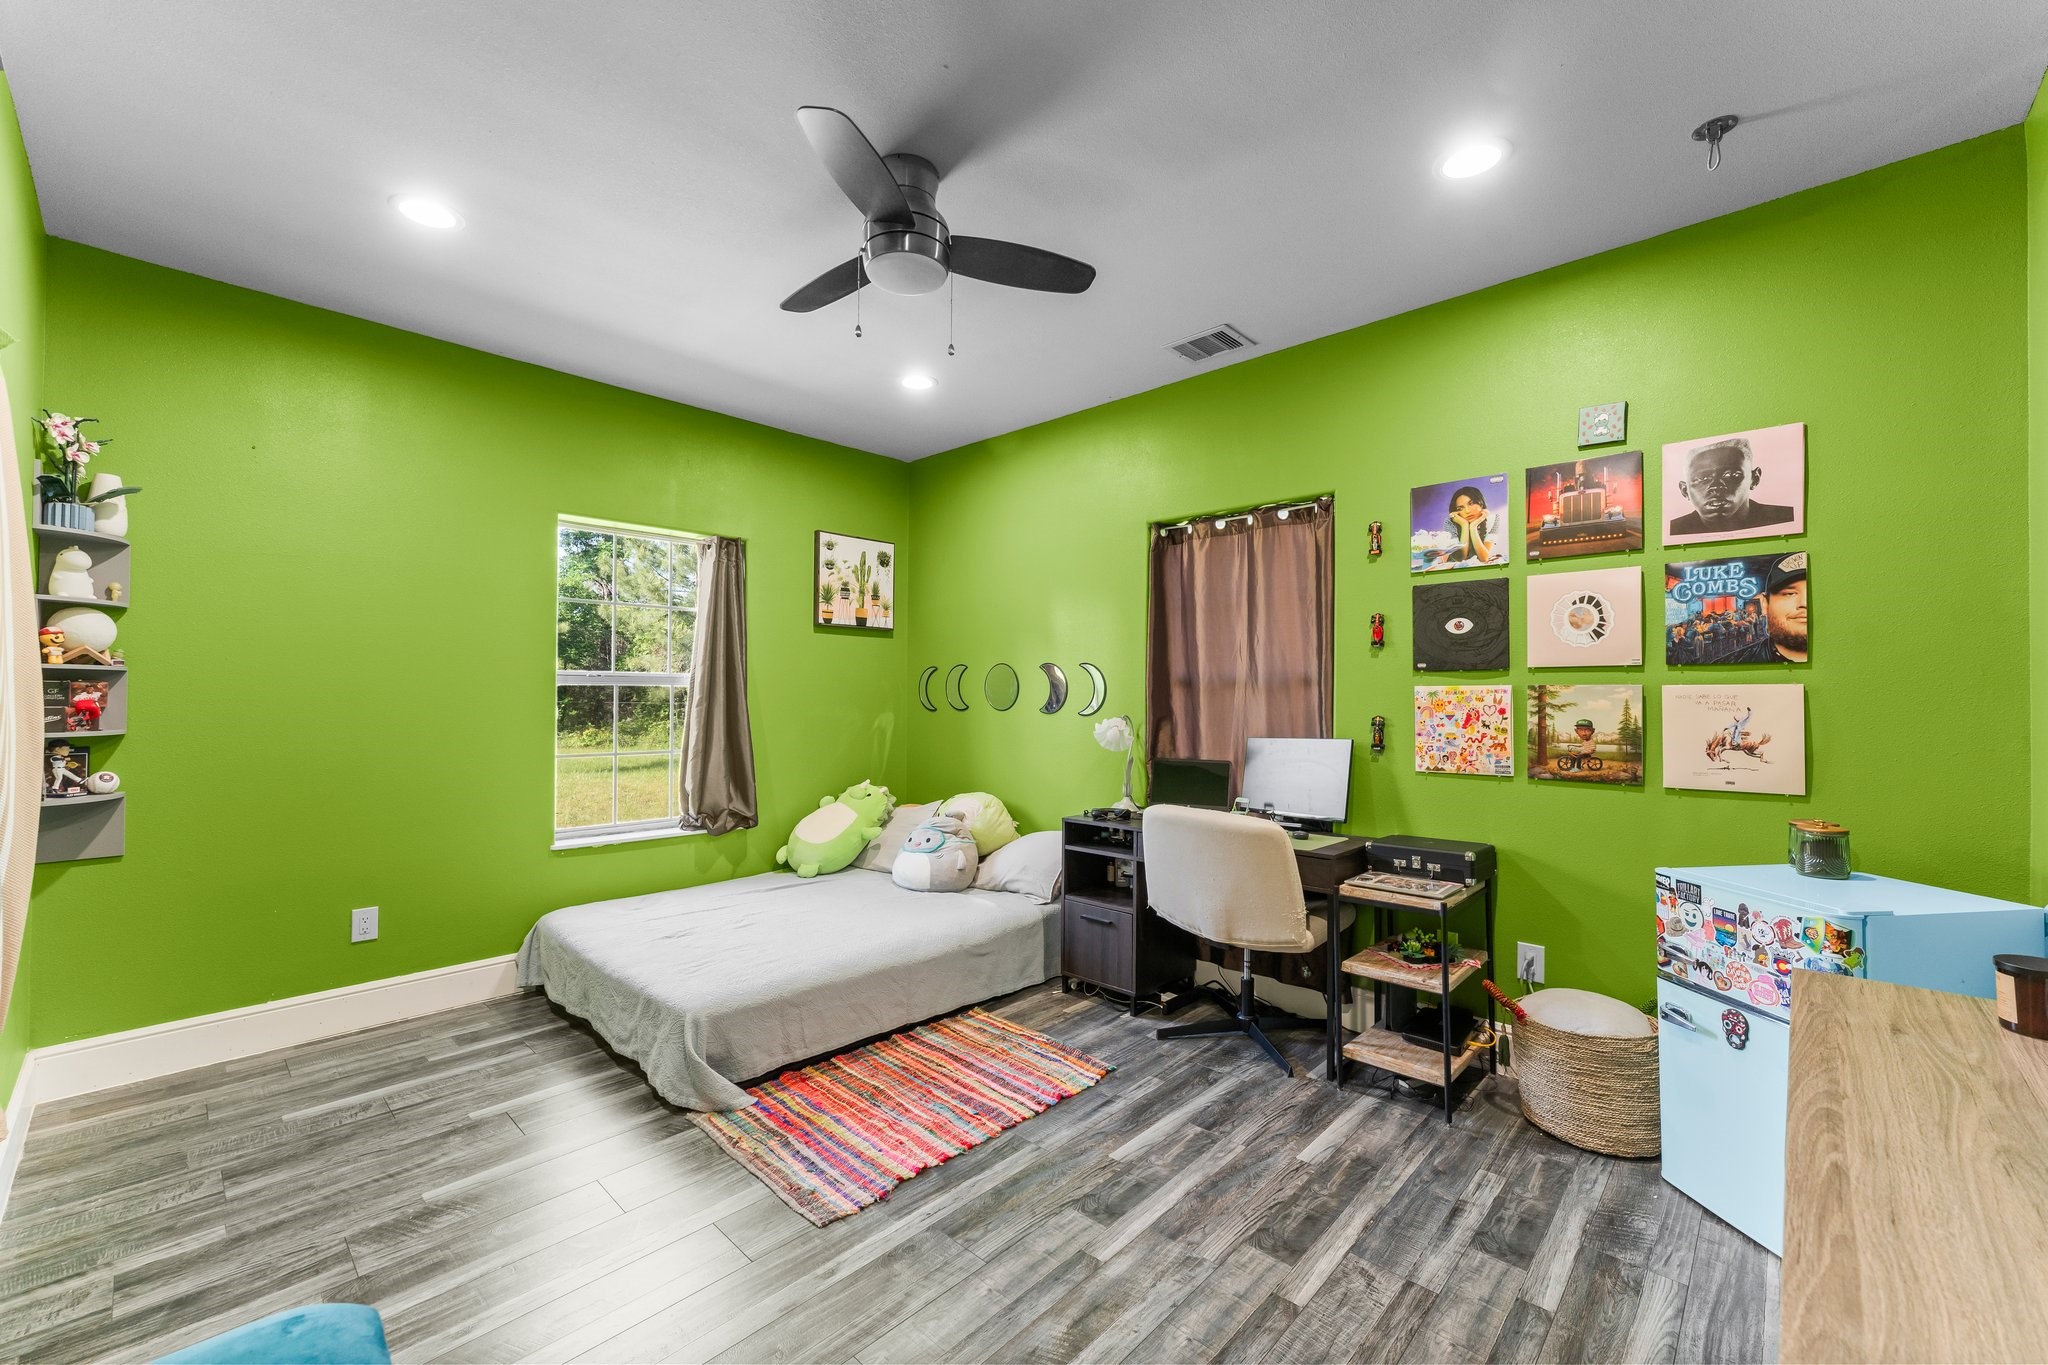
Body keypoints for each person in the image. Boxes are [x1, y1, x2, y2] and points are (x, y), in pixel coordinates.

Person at [1668, 437, 1795, 538]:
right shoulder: (1675, 530)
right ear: (1685, 491)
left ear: (1754, 479)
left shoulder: (1786, 518)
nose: (1716, 487)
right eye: (1702, 479)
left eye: (1731, 475)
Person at [1726, 553, 1808, 663]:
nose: (1804, 603)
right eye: (1790, 593)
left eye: (1814, 594)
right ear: (1765, 604)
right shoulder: (1735, 661)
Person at [1431, 485, 1502, 566]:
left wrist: (1473, 527)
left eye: (1471, 504)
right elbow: (1460, 559)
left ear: (1481, 503)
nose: (1467, 511)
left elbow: (1484, 558)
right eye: (1460, 508)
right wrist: (1464, 525)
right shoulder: (1450, 522)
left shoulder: (1493, 519)